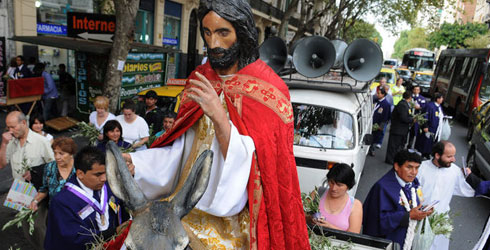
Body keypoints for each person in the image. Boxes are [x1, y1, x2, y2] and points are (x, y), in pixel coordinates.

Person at [121, 0, 310, 248]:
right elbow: (181, 155)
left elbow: (260, 168)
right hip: (184, 209)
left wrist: (220, 118)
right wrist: (139, 164)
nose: (213, 44)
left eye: (223, 33)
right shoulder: (200, 80)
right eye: (207, 33)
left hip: (237, 221)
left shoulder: (269, 90)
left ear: (241, 33)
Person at [45, 146, 128, 250]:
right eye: (98, 174)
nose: (104, 178)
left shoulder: (109, 186)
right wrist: (113, 233)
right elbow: (71, 238)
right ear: (80, 174)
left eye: (105, 172)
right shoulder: (62, 202)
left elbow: (121, 211)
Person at [363, 150, 432, 249]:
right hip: (388, 243)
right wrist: (408, 216)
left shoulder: (414, 183)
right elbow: (376, 220)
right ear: (396, 166)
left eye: (417, 168)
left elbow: (415, 203)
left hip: (408, 239)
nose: (414, 172)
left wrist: (423, 210)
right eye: (409, 167)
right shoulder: (382, 188)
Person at [417, 141, 476, 250]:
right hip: (420, 218)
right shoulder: (421, 168)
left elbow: (469, 189)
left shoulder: (455, 171)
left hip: (441, 221)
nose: (453, 159)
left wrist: (469, 177)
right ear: (437, 155)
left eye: (453, 156)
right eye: (449, 156)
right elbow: (415, 190)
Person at [26, 137, 77, 249]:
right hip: (55, 213)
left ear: (71, 153)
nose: (57, 157)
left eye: (61, 153)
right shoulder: (50, 167)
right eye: (55, 153)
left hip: (76, 214)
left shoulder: (79, 168)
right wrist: (35, 201)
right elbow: (44, 189)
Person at [308, 163, 363, 233]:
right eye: (331, 182)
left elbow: (354, 235)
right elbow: (299, 215)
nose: (334, 188)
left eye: (339, 185)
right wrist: (309, 219)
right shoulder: (317, 193)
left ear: (348, 186)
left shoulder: (355, 205)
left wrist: (329, 227)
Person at [0, 111, 54, 181]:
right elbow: (1, 165)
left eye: (13, 127)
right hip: (18, 187)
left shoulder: (42, 141)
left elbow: (53, 167)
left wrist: (36, 172)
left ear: (23, 123)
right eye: (8, 128)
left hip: (37, 188)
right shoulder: (10, 141)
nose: (11, 131)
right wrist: (4, 144)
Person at [385, 91, 414, 164]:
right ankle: (390, 160)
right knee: (393, 146)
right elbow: (403, 118)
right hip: (397, 129)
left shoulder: (406, 105)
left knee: (398, 145)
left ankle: (395, 159)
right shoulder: (402, 105)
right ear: (410, 97)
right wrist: (412, 119)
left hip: (402, 130)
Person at [415, 92, 444, 159]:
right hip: (429, 128)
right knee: (425, 141)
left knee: (431, 141)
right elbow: (425, 116)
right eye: (441, 98)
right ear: (437, 99)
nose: (442, 100)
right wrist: (425, 126)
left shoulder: (439, 106)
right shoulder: (430, 106)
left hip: (435, 129)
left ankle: (428, 153)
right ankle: (422, 153)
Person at [369, 87, 391, 156]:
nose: (377, 94)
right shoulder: (376, 100)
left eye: (379, 93)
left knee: (374, 137)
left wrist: (381, 126)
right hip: (371, 121)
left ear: (383, 94)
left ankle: (372, 149)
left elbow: (386, 117)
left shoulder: (386, 104)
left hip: (377, 124)